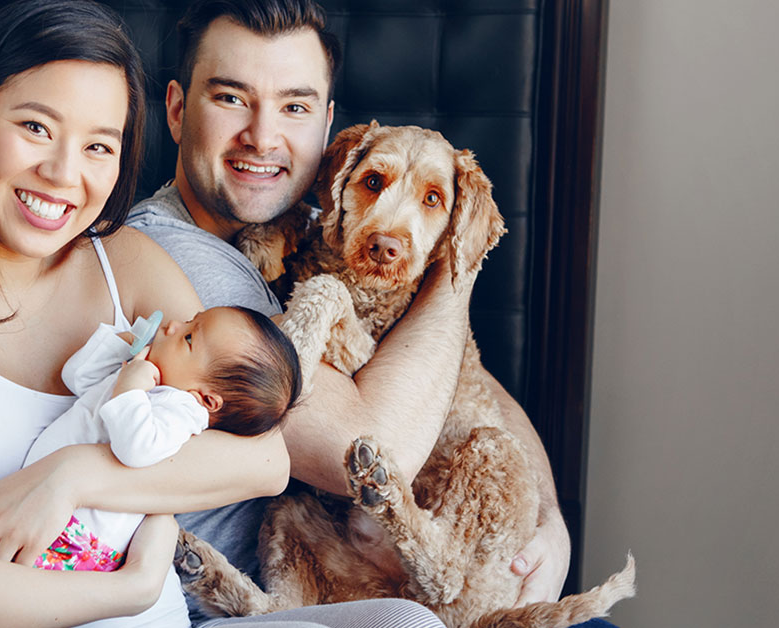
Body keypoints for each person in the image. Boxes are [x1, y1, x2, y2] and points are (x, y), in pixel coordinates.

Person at [124, 0, 587, 625]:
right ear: (177, 110)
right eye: (231, 98)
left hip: (393, 582)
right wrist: (454, 256)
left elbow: (471, 387)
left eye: (294, 106)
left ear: (327, 125)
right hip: (274, 601)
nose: (262, 137)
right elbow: (371, 452)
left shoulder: (325, 229)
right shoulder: (171, 257)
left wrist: (550, 520)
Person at [0, 1, 283, 626]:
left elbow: (265, 460)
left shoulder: (129, 264)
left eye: (99, 145)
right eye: (36, 127)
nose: (64, 174)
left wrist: (70, 475)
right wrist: (133, 587)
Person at [21, 306, 300, 626]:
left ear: (207, 400)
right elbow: (76, 376)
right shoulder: (148, 382)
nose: (172, 326)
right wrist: (124, 349)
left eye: (189, 336)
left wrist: (131, 386)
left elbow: (136, 449)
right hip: (52, 516)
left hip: (77, 537)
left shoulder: (181, 410)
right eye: (190, 320)